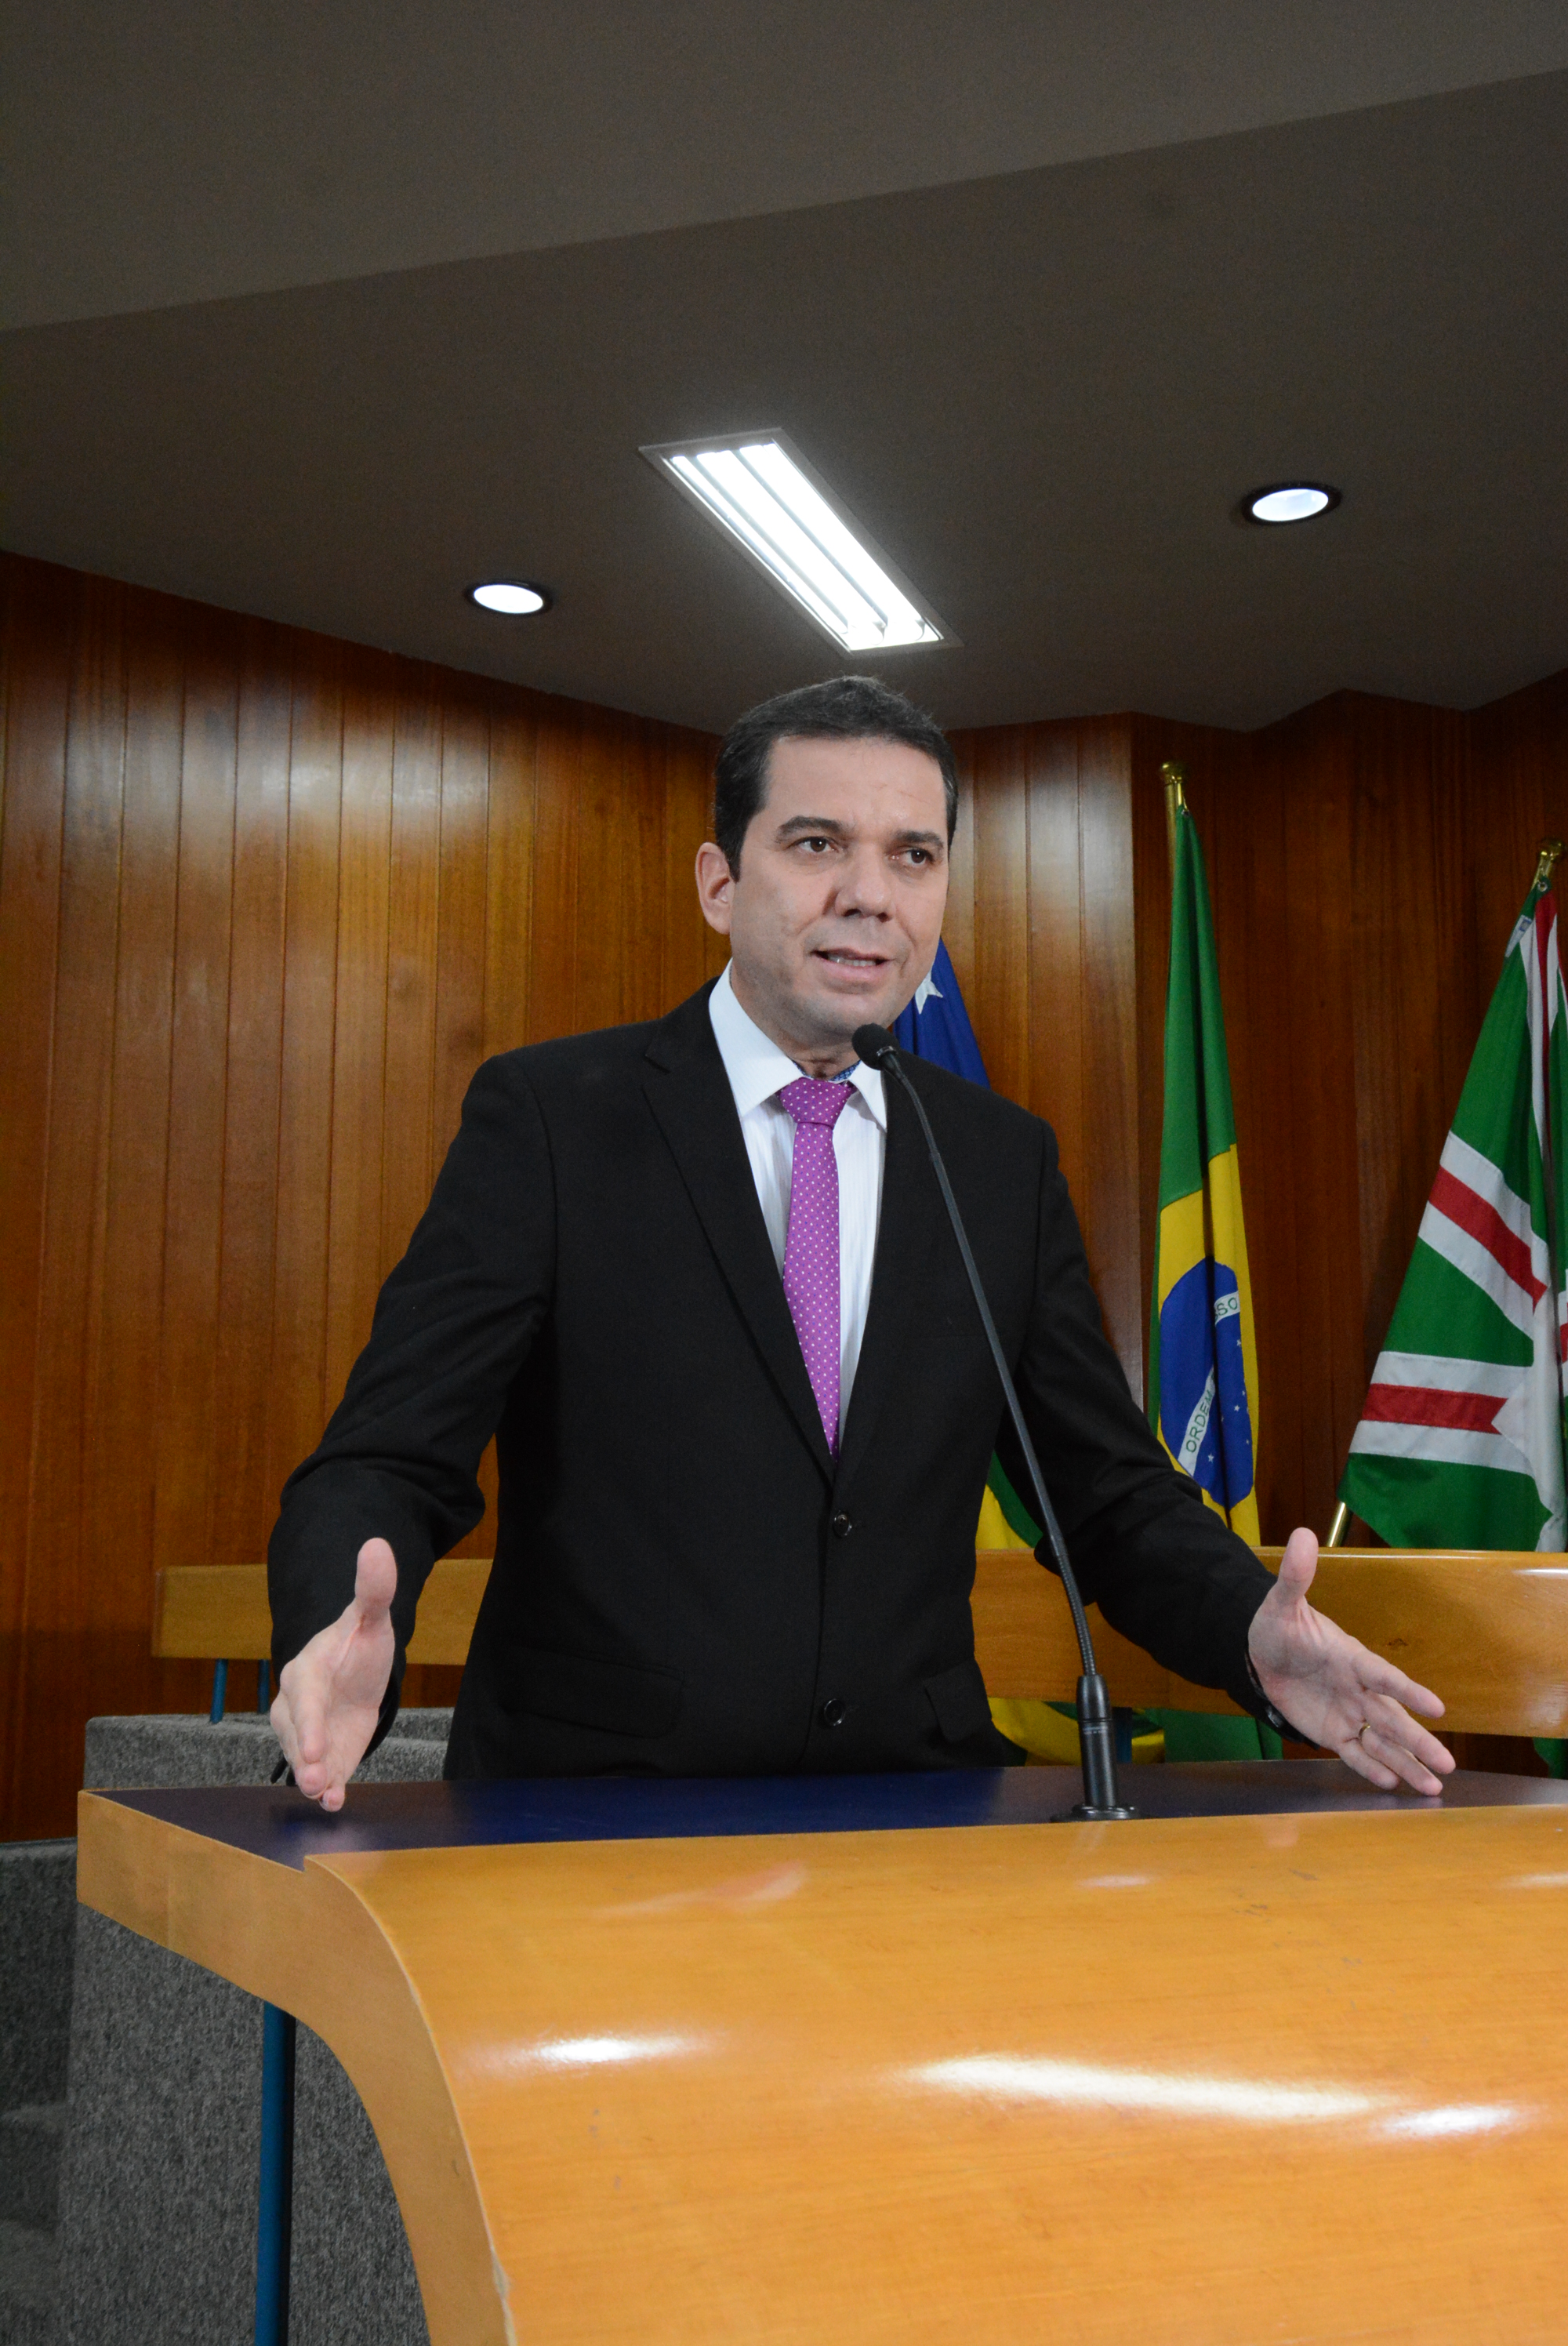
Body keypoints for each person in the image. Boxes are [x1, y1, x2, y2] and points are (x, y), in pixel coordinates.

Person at [268, 676, 1453, 1810]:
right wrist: (333, 1627)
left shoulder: (998, 1162)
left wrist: (1251, 1631)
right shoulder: (551, 1118)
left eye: (914, 855)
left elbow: (1103, 1492)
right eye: (817, 843)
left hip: (911, 1799)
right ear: (721, 882)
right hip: (596, 1806)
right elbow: (389, 1455)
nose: (871, 895)